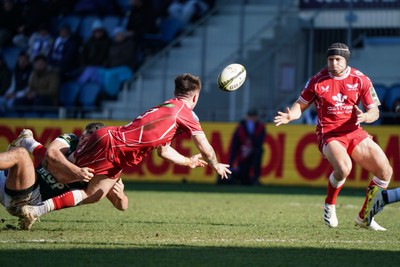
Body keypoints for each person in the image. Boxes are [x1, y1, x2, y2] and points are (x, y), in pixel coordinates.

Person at [20, 73, 231, 229]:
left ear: (175, 93)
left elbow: (163, 151)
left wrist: (187, 162)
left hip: (107, 136)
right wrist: (215, 164)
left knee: (73, 177)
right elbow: (205, 147)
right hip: (116, 150)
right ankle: (34, 206)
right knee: (83, 186)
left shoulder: (165, 108)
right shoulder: (186, 114)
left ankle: (29, 147)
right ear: (195, 97)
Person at [274, 42, 393, 231]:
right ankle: (330, 204)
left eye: (338, 59)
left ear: (346, 60)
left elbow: (374, 111)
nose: (333, 63)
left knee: (385, 172)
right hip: (329, 133)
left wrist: (366, 117)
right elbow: (299, 105)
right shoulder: (317, 81)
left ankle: (365, 216)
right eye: (330, 59)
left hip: (354, 132)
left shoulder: (360, 79)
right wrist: (291, 115)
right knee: (345, 167)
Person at [0, 123, 128, 229]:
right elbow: (51, 154)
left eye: (87, 141)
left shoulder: (104, 166)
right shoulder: (72, 140)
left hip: (27, 199)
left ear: (97, 145)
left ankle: (27, 142)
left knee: (21, 154)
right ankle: (27, 142)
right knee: (24, 158)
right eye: (82, 137)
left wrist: (121, 196)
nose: (81, 143)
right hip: (14, 182)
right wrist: (77, 171)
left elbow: (121, 206)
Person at [228, 109, 265, 185]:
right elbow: (235, 143)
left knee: (256, 163)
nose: (251, 118)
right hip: (243, 151)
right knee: (243, 167)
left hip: (254, 150)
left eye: (253, 116)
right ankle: (243, 179)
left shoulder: (260, 126)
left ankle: (255, 179)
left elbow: (260, 140)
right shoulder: (241, 127)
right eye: (250, 116)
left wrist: (251, 145)